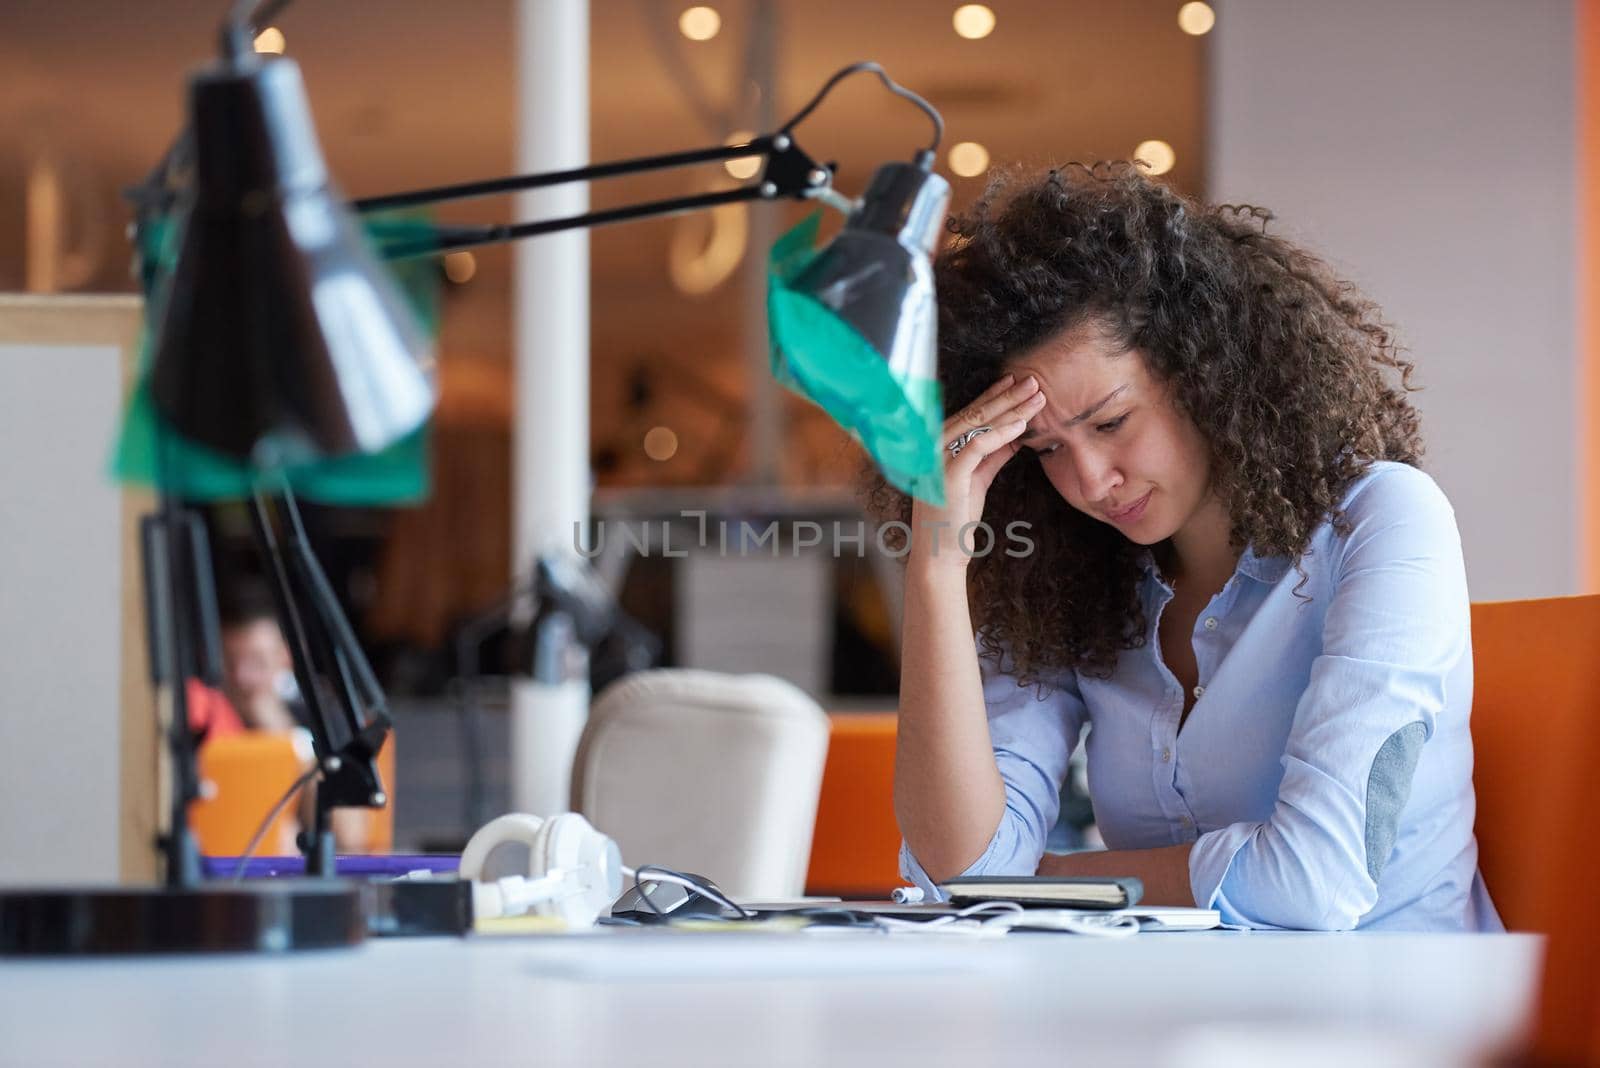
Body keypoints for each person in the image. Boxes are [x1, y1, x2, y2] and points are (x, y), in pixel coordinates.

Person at [870, 162, 1500, 931]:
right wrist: (938, 561)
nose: (1090, 480)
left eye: (1109, 423)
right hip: (1177, 1016)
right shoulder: (1076, 578)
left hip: (1394, 1021)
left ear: (1202, 372)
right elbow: (958, 874)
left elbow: (1315, 880)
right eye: (1043, 450)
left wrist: (1058, 881)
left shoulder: (1382, 519)